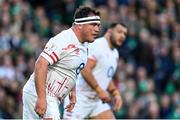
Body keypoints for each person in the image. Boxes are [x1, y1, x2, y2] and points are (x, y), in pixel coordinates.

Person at [22, 6, 101, 119]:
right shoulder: (64, 40)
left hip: (50, 96)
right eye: (93, 25)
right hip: (42, 94)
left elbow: (71, 67)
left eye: (98, 25)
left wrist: (72, 91)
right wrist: (41, 97)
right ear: (80, 25)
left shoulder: (85, 44)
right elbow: (41, 64)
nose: (97, 29)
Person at [63, 22, 128, 119]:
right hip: (79, 98)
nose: (122, 36)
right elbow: (85, 69)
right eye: (119, 32)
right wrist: (99, 90)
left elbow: (105, 76)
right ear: (109, 31)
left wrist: (115, 92)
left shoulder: (115, 53)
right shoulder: (97, 45)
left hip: (96, 101)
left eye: (124, 34)